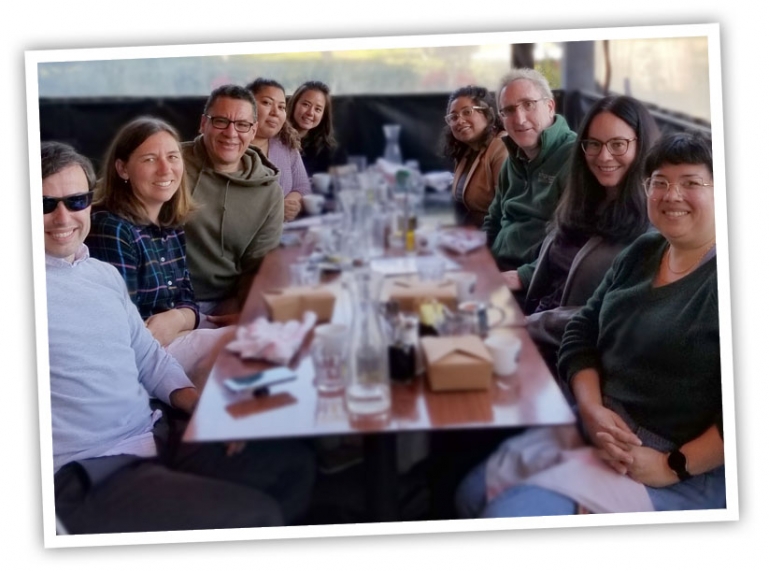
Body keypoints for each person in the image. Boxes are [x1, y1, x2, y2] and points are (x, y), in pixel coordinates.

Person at [43, 142, 315, 533]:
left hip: (153, 433)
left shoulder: (100, 274)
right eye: (45, 204)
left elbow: (149, 358)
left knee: (292, 467)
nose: (63, 217)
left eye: (76, 200)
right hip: (88, 470)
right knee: (254, 514)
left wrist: (200, 407)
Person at [455, 131, 723, 518]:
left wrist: (673, 466)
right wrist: (591, 408)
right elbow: (582, 330)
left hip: (678, 465)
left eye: (691, 183)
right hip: (594, 430)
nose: (672, 195)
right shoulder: (644, 252)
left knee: (506, 515)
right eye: (660, 183)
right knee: (469, 494)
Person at [501, 96, 659, 366]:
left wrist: (527, 325)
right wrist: (520, 283)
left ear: (642, 146)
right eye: (593, 144)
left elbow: (610, 314)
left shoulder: (652, 224)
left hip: (570, 354)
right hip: (530, 323)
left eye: (618, 144)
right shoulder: (587, 198)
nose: (603, 156)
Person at [85, 117, 231, 386]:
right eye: (150, 159)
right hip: (142, 359)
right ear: (122, 169)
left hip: (173, 337)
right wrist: (180, 322)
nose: (166, 170)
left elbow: (187, 297)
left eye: (173, 157)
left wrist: (178, 317)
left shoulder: (169, 222)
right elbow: (124, 329)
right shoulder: (111, 227)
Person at [182, 84, 284, 315]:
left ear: (253, 130)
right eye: (220, 121)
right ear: (203, 124)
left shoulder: (269, 193)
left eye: (242, 125)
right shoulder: (171, 163)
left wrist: (243, 311)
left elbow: (258, 268)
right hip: (160, 297)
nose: (231, 133)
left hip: (223, 303)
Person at [482, 68, 577, 272]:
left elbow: (574, 243)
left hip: (533, 283)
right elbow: (494, 219)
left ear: (550, 106)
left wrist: (522, 277)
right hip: (497, 268)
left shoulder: (575, 158)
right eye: (508, 110)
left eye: (528, 105)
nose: (519, 119)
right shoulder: (513, 158)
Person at [441, 85, 508, 227]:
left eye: (467, 112)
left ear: (487, 113)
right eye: (453, 117)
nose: (459, 121)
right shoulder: (467, 149)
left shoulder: (502, 147)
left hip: (493, 240)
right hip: (468, 236)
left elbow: (506, 213)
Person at [247, 77, 311, 222]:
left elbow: (303, 186)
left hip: (284, 233)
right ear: (247, 106)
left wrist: (291, 204)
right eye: (267, 103)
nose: (276, 112)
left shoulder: (285, 144)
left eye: (281, 107)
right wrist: (276, 209)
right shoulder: (232, 146)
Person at [287, 80, 342, 176]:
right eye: (305, 104)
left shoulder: (326, 149)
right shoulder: (274, 138)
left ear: (323, 115)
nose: (310, 113)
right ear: (294, 104)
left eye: (318, 109)